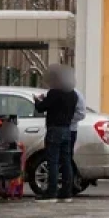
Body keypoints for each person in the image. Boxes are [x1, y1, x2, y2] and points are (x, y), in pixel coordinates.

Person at [34, 65, 79, 201]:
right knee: (66, 161)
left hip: (54, 129)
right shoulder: (73, 95)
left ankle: (51, 192)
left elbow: (41, 108)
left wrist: (37, 101)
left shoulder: (54, 93)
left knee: (52, 161)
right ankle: (66, 192)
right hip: (67, 129)